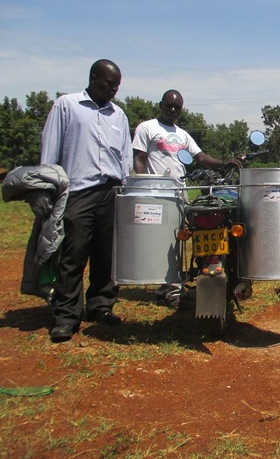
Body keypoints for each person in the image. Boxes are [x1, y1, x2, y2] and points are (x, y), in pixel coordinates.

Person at [40, 59, 132, 342]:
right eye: (109, 83)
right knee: (74, 254)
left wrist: (126, 189)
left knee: (107, 255)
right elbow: (50, 149)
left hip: (112, 191)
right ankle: (67, 316)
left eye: (117, 85)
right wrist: (45, 188)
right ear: (94, 78)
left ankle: (100, 306)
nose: (114, 89)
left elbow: (125, 157)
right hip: (78, 191)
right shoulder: (67, 106)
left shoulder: (119, 115)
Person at [132, 89, 244, 308]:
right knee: (161, 241)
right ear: (160, 104)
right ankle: (173, 292)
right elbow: (140, 157)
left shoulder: (182, 134)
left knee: (178, 240)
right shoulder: (147, 128)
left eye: (177, 107)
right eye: (169, 105)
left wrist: (223, 163)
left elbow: (199, 156)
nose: (172, 110)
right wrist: (141, 187)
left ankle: (169, 285)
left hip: (179, 192)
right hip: (157, 193)